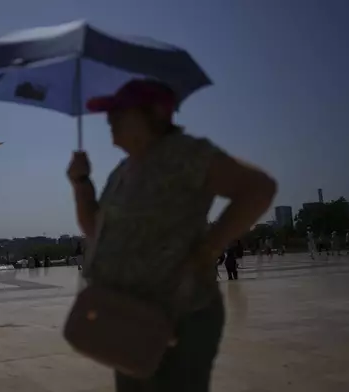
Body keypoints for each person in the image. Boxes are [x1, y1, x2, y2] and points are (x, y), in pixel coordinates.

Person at [67, 79, 277, 392]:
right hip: (127, 315)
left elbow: (259, 188)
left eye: (120, 113)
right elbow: (95, 229)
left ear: (156, 114)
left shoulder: (186, 154)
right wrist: (81, 183)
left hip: (180, 316)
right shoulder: (123, 171)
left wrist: (209, 248)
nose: (110, 119)